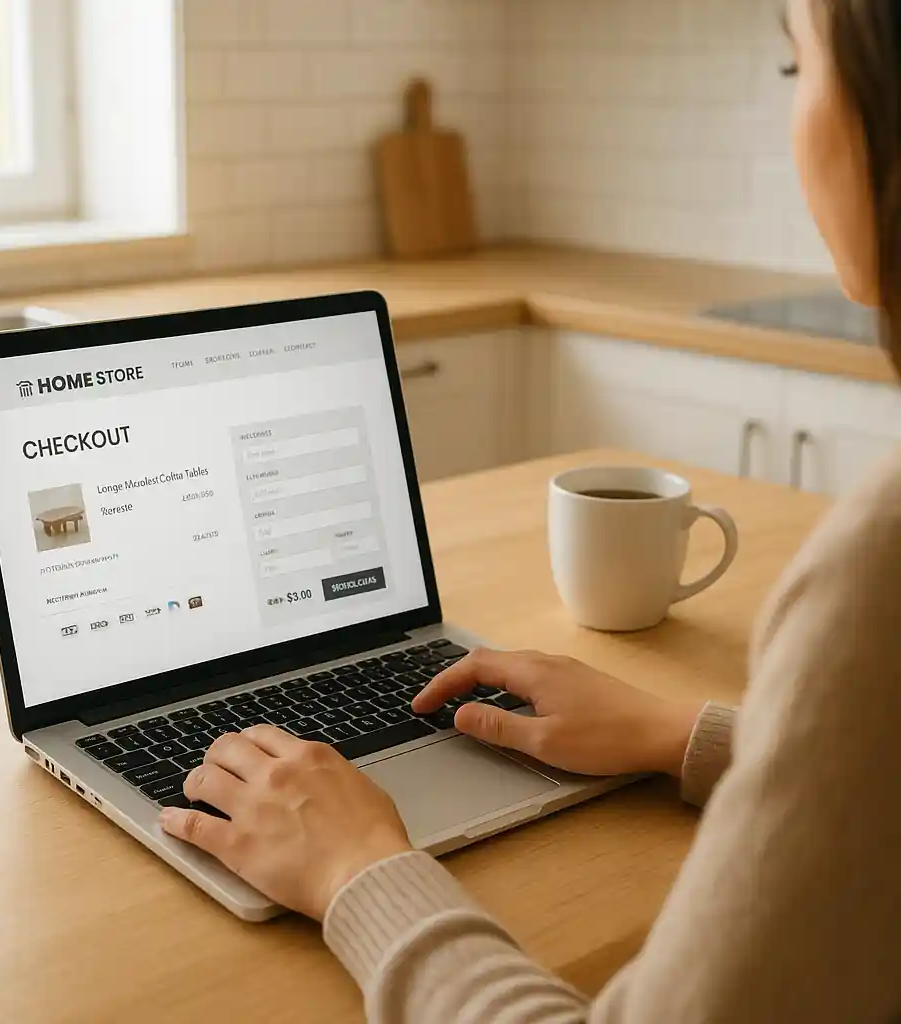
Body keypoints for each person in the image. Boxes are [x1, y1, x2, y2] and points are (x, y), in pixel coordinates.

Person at [161, 0, 901, 1019]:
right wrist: (687, 732)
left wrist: (357, 870)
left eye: (795, 65)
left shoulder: (882, 564)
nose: (796, 118)